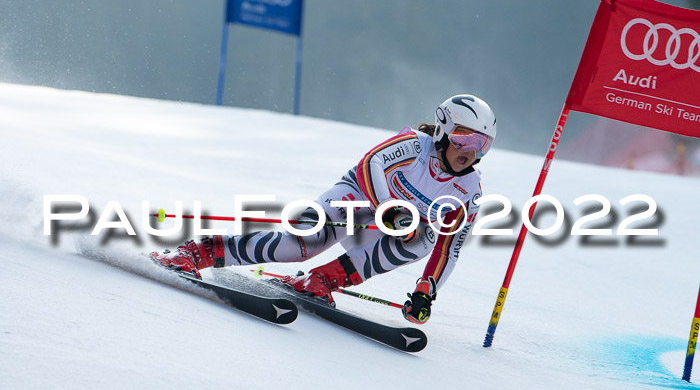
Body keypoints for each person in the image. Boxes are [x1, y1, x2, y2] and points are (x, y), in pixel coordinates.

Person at [150, 94, 497, 324]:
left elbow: (449, 247)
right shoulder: (414, 146)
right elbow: (370, 164)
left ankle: (320, 281)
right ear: (444, 130)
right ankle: (197, 253)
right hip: (356, 199)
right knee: (301, 245)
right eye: (465, 137)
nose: (471, 150)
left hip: (384, 231)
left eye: (482, 143)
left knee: (422, 239)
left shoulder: (468, 191)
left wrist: (426, 290)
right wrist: (389, 211)